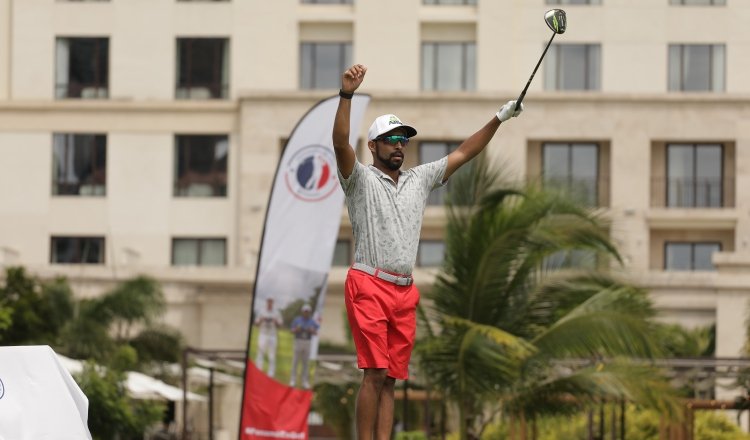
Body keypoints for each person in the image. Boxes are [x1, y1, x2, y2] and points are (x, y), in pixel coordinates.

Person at [332, 63, 523, 440]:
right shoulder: (360, 179)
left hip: (404, 290)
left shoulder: (420, 179)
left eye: (403, 140)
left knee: (390, 379)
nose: (399, 145)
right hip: (368, 282)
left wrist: (499, 118)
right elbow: (340, 143)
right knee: (373, 372)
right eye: (390, 140)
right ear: (373, 146)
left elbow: (465, 152)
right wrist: (347, 95)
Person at [289, 303, 319, 389]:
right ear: (302, 311)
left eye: (308, 311)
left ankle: (304, 381)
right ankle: (293, 380)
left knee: (305, 363)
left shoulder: (312, 321)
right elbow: (292, 330)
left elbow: (316, 332)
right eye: (305, 311)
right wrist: (296, 329)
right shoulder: (297, 320)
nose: (306, 313)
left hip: (307, 342)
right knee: (295, 361)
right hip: (298, 341)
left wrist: (312, 330)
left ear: (309, 312)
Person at [254, 298, 283, 377]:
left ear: (273, 302)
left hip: (272, 335)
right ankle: (258, 372)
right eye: (268, 301)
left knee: (272, 355)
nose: (270, 303)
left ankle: (271, 374)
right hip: (263, 334)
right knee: (260, 353)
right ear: (266, 302)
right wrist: (261, 319)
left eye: (271, 301)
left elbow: (280, 325)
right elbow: (256, 323)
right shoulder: (261, 311)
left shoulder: (277, 312)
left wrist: (275, 321)